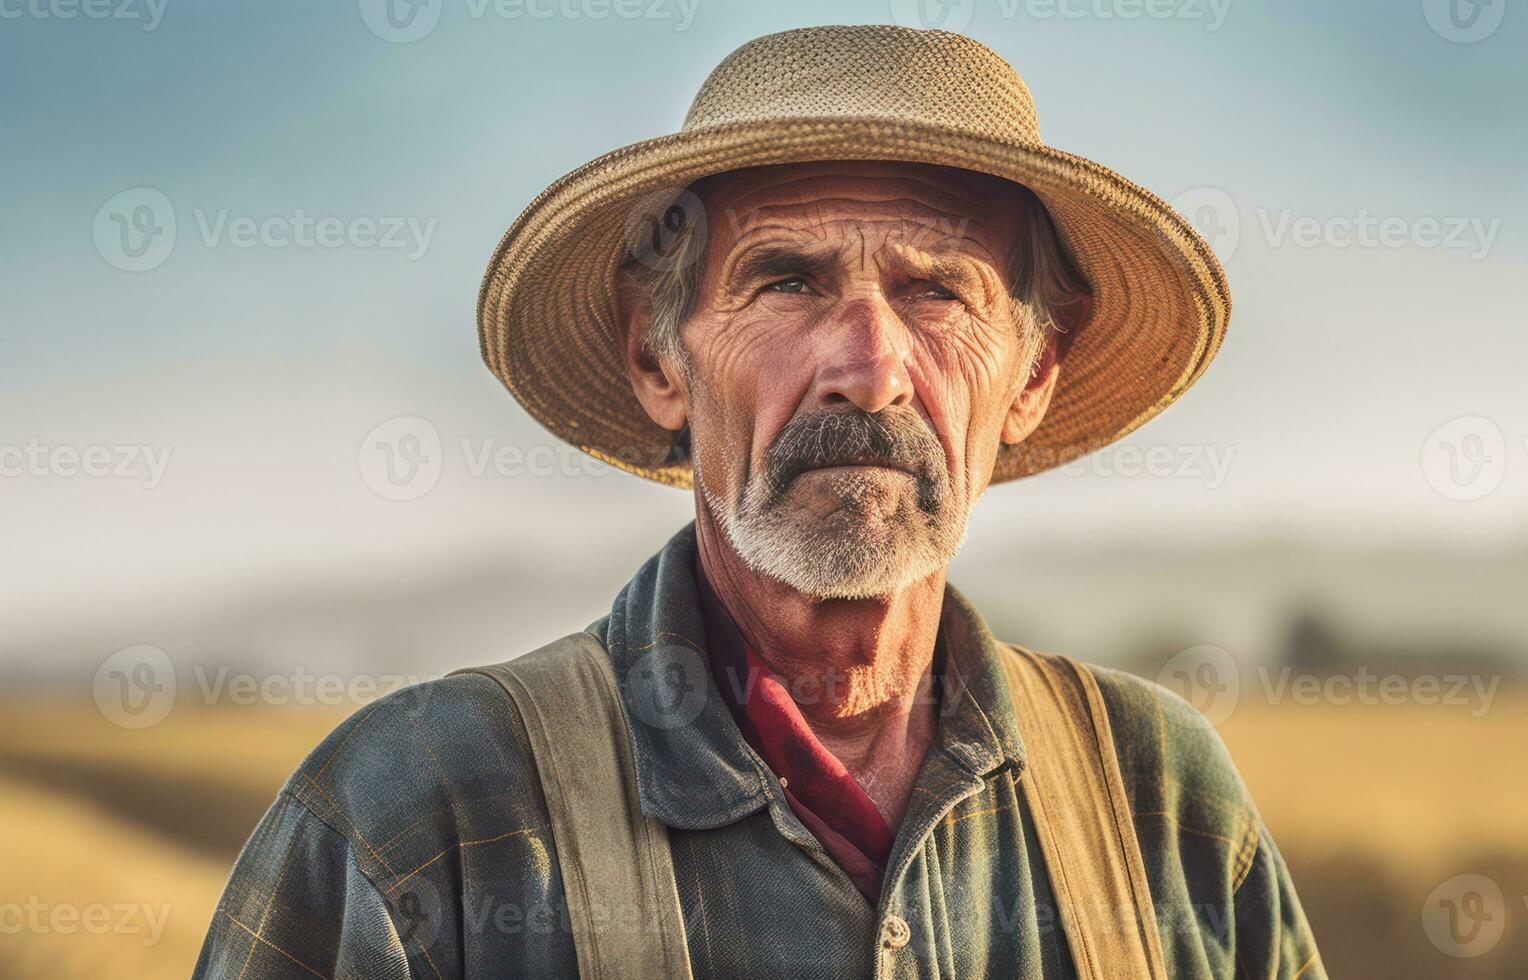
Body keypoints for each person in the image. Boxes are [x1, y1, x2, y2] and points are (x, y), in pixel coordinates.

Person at [196, 24, 1322, 979]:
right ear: (657, 357)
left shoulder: (1160, 800)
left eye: (939, 290)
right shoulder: (420, 815)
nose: (870, 367)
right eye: (787, 281)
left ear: (1030, 376)